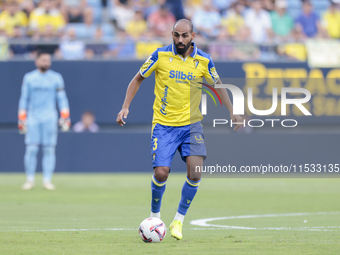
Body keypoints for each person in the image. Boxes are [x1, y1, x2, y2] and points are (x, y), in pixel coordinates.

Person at [116, 19, 242, 240]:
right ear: (172, 35)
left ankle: (178, 220)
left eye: (184, 35)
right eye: (176, 35)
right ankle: (155, 217)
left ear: (193, 36)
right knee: (161, 173)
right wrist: (125, 106)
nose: (180, 40)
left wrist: (232, 111)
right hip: (164, 125)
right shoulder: (159, 55)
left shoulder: (203, 60)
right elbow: (137, 79)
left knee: (195, 171)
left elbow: (218, 84)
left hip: (191, 125)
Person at [18, 51, 71, 190]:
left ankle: (47, 180)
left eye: (48, 60)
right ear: (37, 61)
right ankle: (29, 179)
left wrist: (65, 116)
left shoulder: (56, 78)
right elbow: (24, 98)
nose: (46, 63)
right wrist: (22, 118)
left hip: (50, 117)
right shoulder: (29, 78)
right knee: (31, 149)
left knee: (49, 149)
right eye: (43, 60)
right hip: (33, 118)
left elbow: (62, 98)